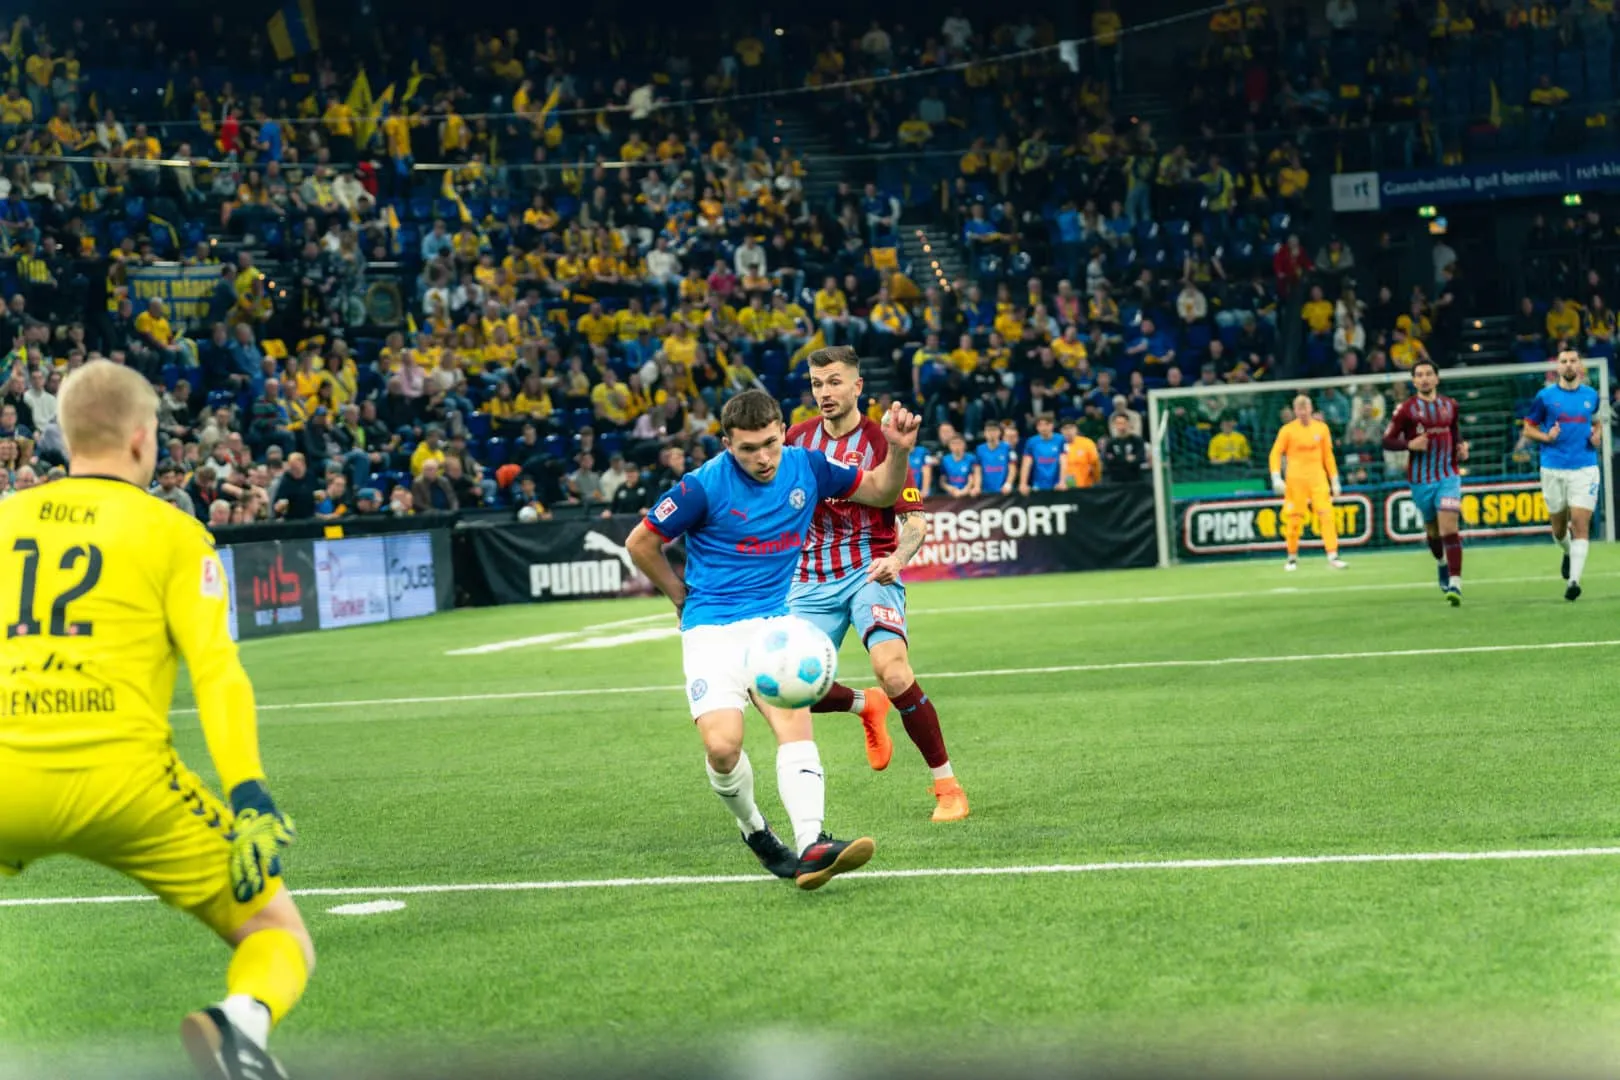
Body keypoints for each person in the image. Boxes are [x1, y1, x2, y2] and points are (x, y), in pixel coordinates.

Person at [0, 361, 311, 1080]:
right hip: (125, 785)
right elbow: (217, 671)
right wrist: (249, 795)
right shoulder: (176, 534)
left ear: (61, 437)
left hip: (7, 772)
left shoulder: (6, 519)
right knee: (275, 930)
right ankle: (239, 1030)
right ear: (144, 439)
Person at [625, 389, 921, 889]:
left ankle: (812, 844)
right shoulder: (701, 486)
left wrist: (899, 451)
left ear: (783, 429)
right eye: (748, 449)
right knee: (723, 748)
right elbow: (641, 543)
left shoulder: (808, 465)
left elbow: (880, 492)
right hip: (710, 630)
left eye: (769, 443)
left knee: (793, 727)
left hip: (773, 625)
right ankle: (756, 833)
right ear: (726, 444)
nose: (763, 458)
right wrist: (679, 596)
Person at [786, 348, 968, 822]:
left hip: (869, 569)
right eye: (817, 384)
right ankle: (867, 706)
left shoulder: (883, 440)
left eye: (833, 382)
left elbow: (914, 522)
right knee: (781, 686)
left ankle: (947, 786)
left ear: (857, 387)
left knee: (894, 670)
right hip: (810, 580)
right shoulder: (797, 440)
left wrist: (898, 558)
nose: (824, 392)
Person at [1382, 359, 1467, 604]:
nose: (1424, 378)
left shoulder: (1450, 405)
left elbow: (1455, 430)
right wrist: (1409, 444)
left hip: (1448, 475)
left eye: (1429, 374)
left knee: (1449, 528)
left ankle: (1455, 584)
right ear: (1414, 380)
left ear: (1437, 378)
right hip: (1421, 480)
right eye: (1419, 375)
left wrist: (1461, 446)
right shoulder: (1406, 409)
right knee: (1432, 531)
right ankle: (1441, 562)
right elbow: (1387, 441)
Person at [1523, 349, 1603, 600]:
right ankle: (1567, 552)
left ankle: (1574, 582)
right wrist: (1546, 437)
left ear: (1580, 366)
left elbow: (1597, 422)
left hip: (1585, 467)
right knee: (1559, 530)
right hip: (1553, 467)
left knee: (1580, 524)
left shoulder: (1591, 396)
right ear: (1557, 367)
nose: (1569, 365)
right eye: (1564, 361)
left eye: (1573, 361)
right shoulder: (1545, 397)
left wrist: (1597, 435)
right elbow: (1528, 429)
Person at [1269, 394, 1347, 572]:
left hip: (1318, 478)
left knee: (1326, 515)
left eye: (1306, 408)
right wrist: (1276, 477)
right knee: (1294, 519)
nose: (1303, 412)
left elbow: (1328, 456)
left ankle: (1333, 555)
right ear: (1295, 411)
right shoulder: (1287, 431)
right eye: (1299, 409)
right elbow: (1275, 453)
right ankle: (1291, 557)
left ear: (1311, 409)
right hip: (1295, 480)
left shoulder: (1322, 429)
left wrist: (1334, 480)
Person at [1019, 415, 1066, 494]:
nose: (1043, 428)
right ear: (1037, 427)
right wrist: (1023, 484)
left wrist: (1062, 481)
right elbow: (1026, 463)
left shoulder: (1061, 439)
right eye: (1040, 425)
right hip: (1038, 486)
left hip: (1057, 486)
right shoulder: (1031, 441)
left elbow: (1064, 462)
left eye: (1046, 424)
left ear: (1052, 425)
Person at [973, 421, 1015, 496]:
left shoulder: (1007, 447)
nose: (991, 433)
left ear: (999, 432)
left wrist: (1008, 484)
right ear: (985, 433)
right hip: (985, 492)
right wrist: (977, 486)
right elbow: (977, 470)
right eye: (988, 430)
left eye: (994, 430)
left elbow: (1013, 468)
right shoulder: (979, 449)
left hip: (1003, 491)